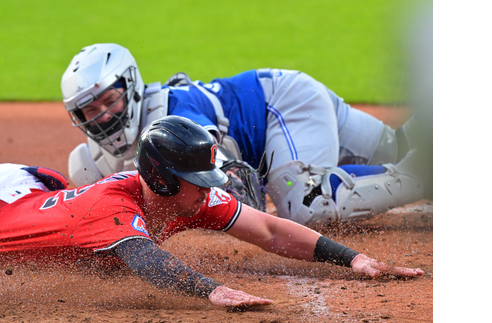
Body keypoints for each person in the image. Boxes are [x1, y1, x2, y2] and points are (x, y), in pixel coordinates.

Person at [0, 0, 423, 309]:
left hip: (17, 195)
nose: (207, 197)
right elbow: (149, 264)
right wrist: (212, 291)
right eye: (196, 186)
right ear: (165, 178)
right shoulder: (113, 211)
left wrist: (355, 260)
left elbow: (274, 231)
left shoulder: (178, 189)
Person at [61, 44, 431, 226]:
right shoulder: (94, 162)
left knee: (306, 204)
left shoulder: (173, 115)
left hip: (284, 106)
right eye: (90, 110)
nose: (104, 115)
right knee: (396, 149)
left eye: (109, 101)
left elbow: (242, 195)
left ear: (132, 88)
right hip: (284, 92)